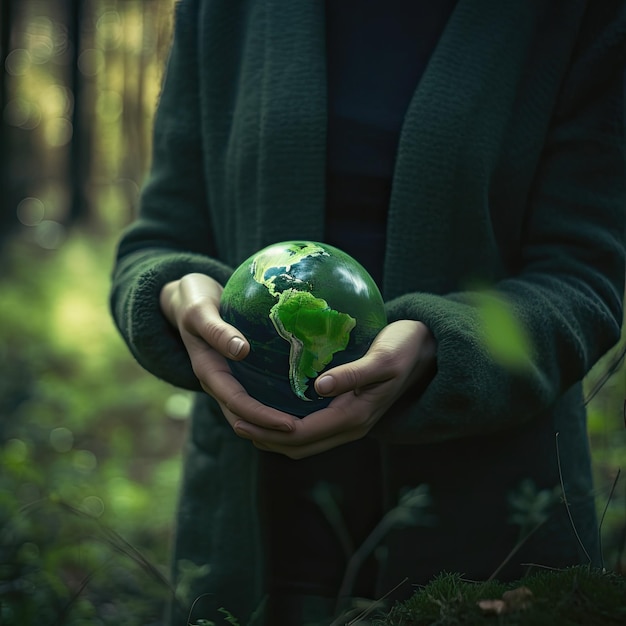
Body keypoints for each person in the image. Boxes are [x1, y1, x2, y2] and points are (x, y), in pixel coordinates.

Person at [109, 0, 625, 624]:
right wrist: (173, 292)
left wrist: (441, 346)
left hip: (488, 539)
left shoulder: (579, 16)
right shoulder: (224, 12)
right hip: (253, 531)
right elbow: (154, 242)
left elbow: (586, 277)